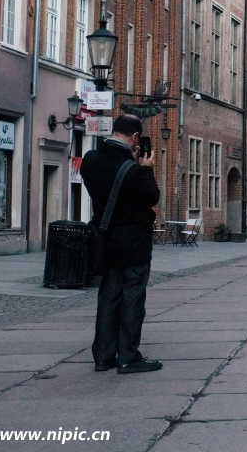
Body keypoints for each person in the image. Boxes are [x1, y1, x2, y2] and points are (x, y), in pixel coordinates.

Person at [81, 114, 162, 374]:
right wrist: (146, 168)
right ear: (136, 137)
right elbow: (151, 197)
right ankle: (128, 356)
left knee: (108, 296)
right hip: (133, 242)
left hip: (105, 239)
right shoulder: (134, 170)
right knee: (132, 297)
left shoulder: (90, 160)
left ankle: (103, 356)